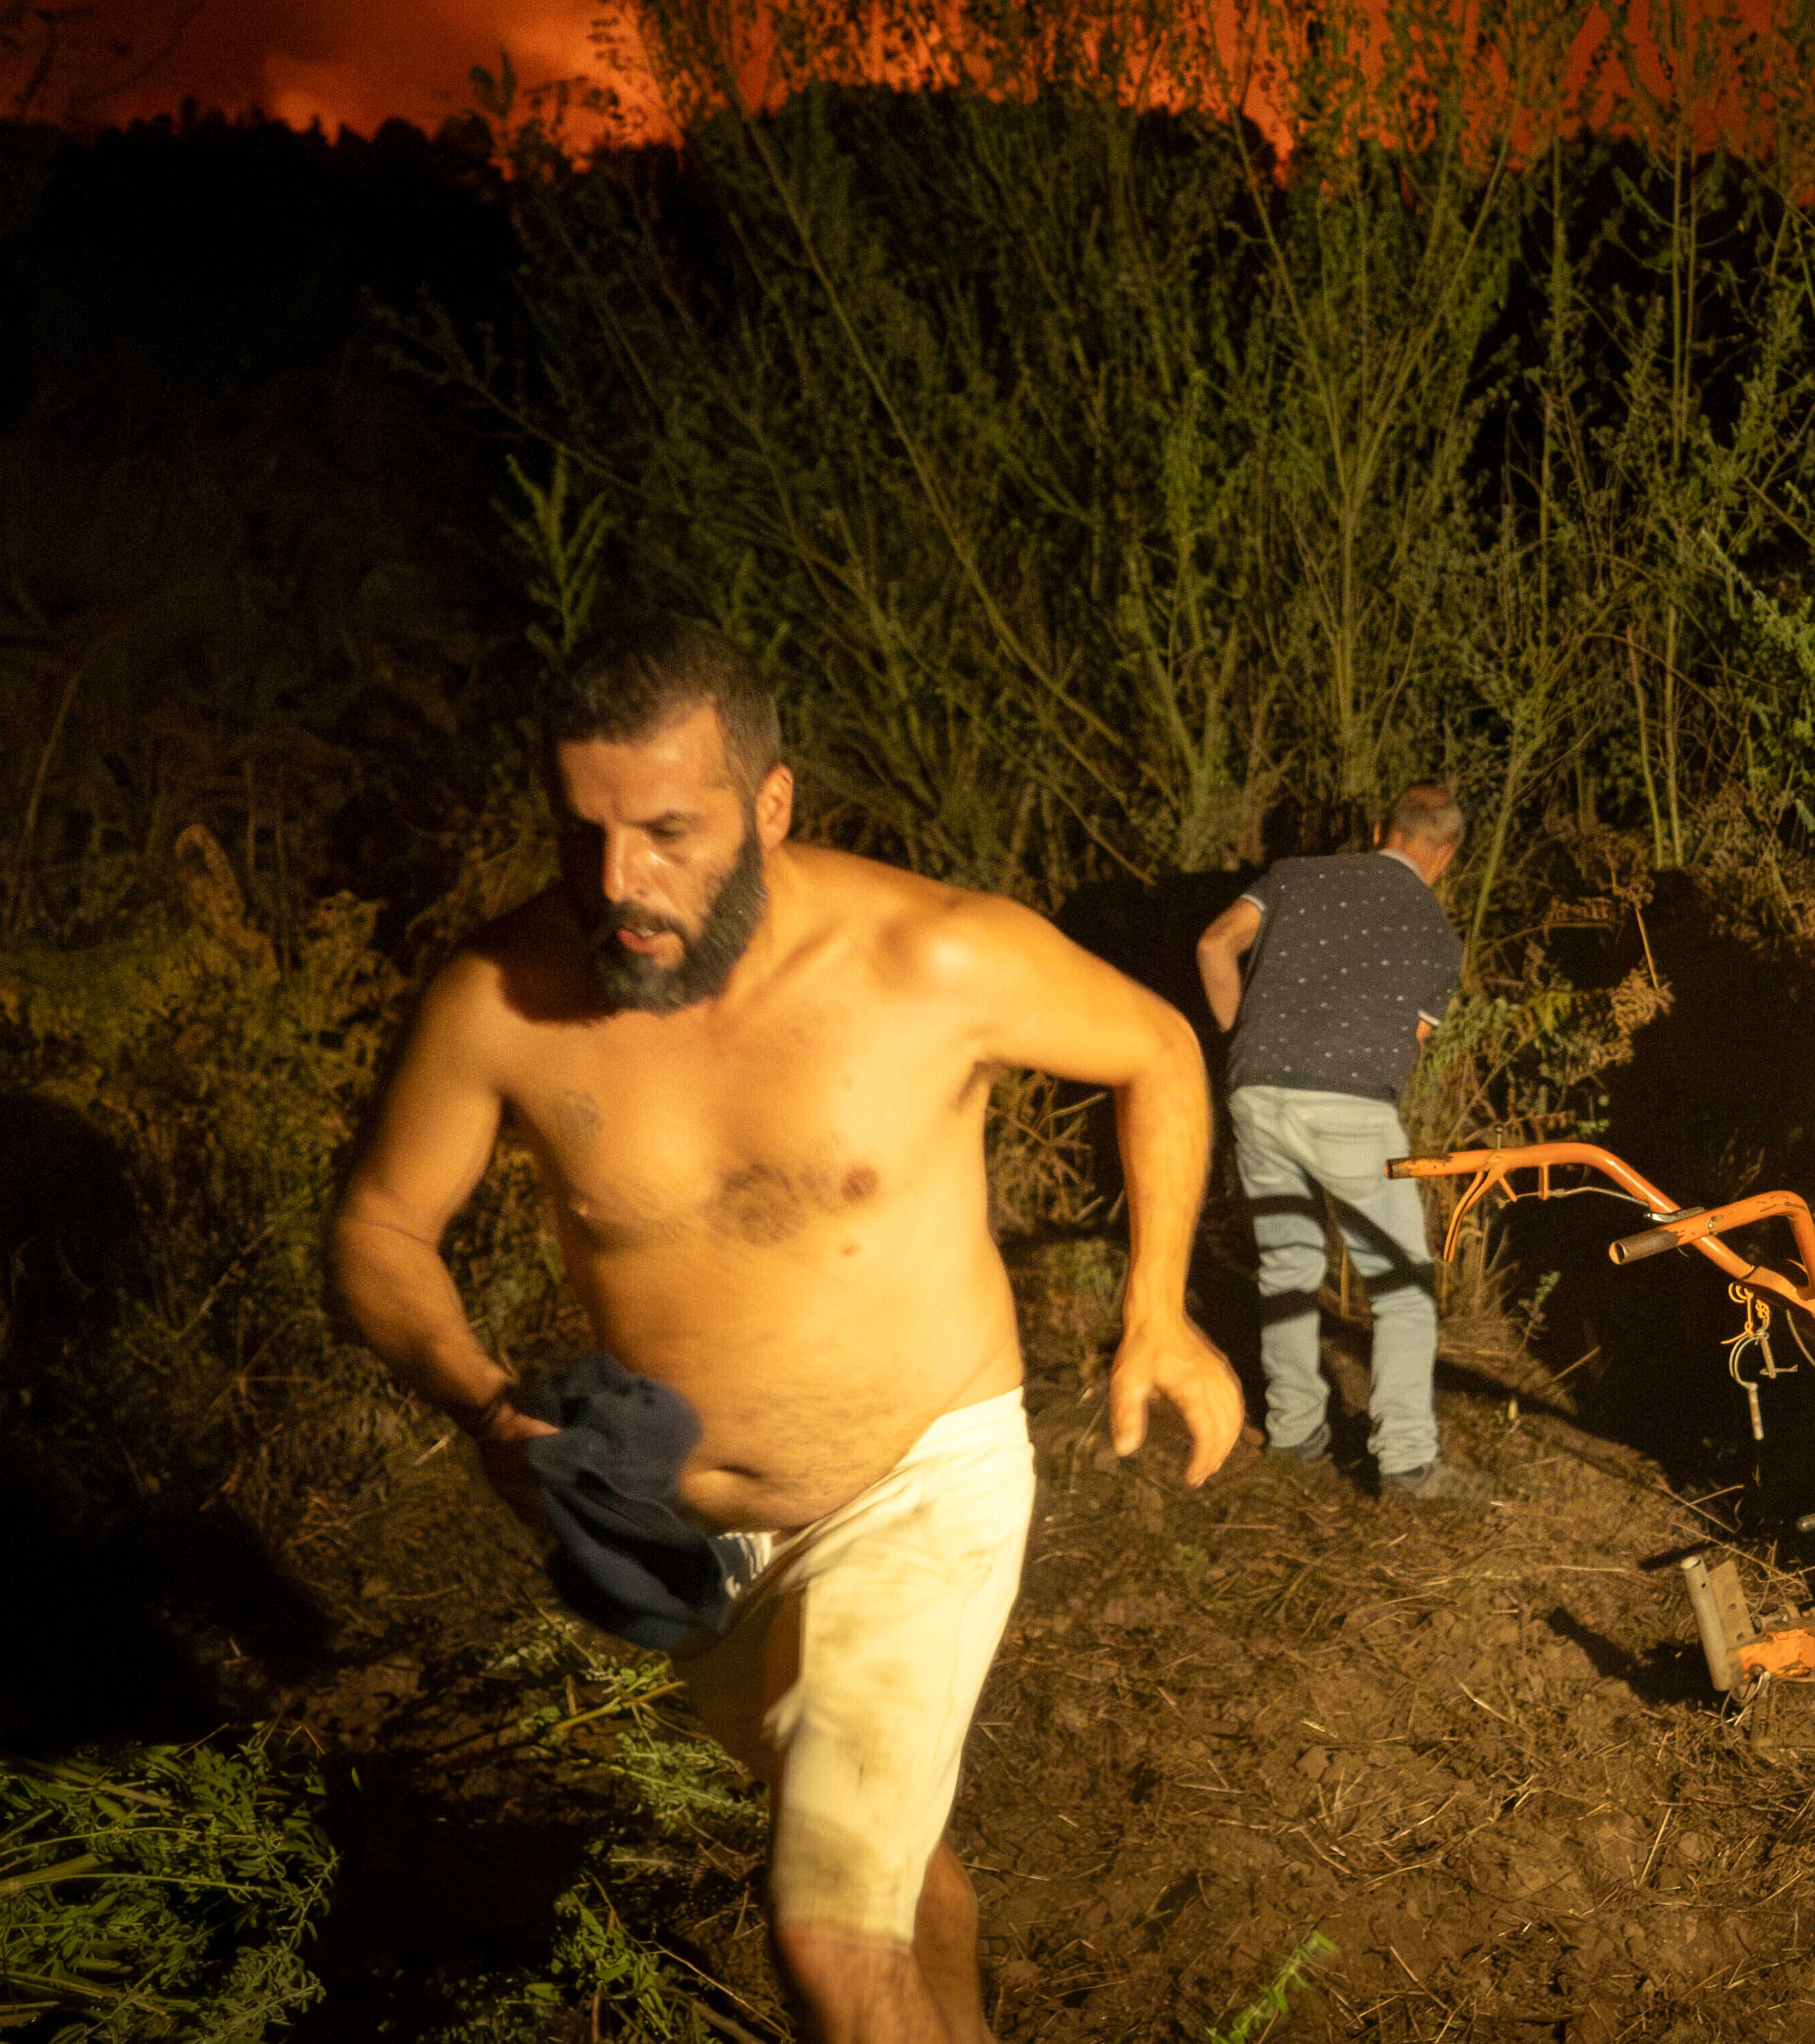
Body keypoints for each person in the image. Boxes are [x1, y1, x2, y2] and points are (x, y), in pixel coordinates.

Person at [328, 614, 1241, 2044]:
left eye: (670, 833)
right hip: (685, 1555)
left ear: (770, 806)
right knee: (889, 1859)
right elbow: (381, 1233)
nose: (620, 883)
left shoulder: (931, 957)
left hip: (919, 1487)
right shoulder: (501, 998)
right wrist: (480, 1399)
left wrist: (1160, 1310)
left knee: (824, 1931)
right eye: (585, 834)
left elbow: (1158, 1049)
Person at [1194, 784, 1481, 1500]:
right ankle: (1408, 1460)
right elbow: (1409, 1042)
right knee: (1403, 1289)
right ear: (1445, 854)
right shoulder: (1438, 937)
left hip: (1256, 1089)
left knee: (1288, 1263)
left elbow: (1213, 945)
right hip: (1351, 1104)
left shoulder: (1294, 875)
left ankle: (1294, 1432)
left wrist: (1242, 1044)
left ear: (1382, 829)